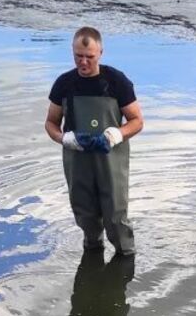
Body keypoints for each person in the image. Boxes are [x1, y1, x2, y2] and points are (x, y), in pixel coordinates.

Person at [45, 27, 143, 257]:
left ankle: (125, 259)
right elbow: (51, 122)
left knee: (115, 215)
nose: (84, 62)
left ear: (100, 53)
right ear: (72, 52)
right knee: (85, 214)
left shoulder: (116, 82)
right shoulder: (64, 84)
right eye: (79, 56)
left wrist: (115, 135)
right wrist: (64, 138)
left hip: (111, 161)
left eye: (89, 57)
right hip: (77, 161)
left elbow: (137, 121)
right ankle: (92, 253)